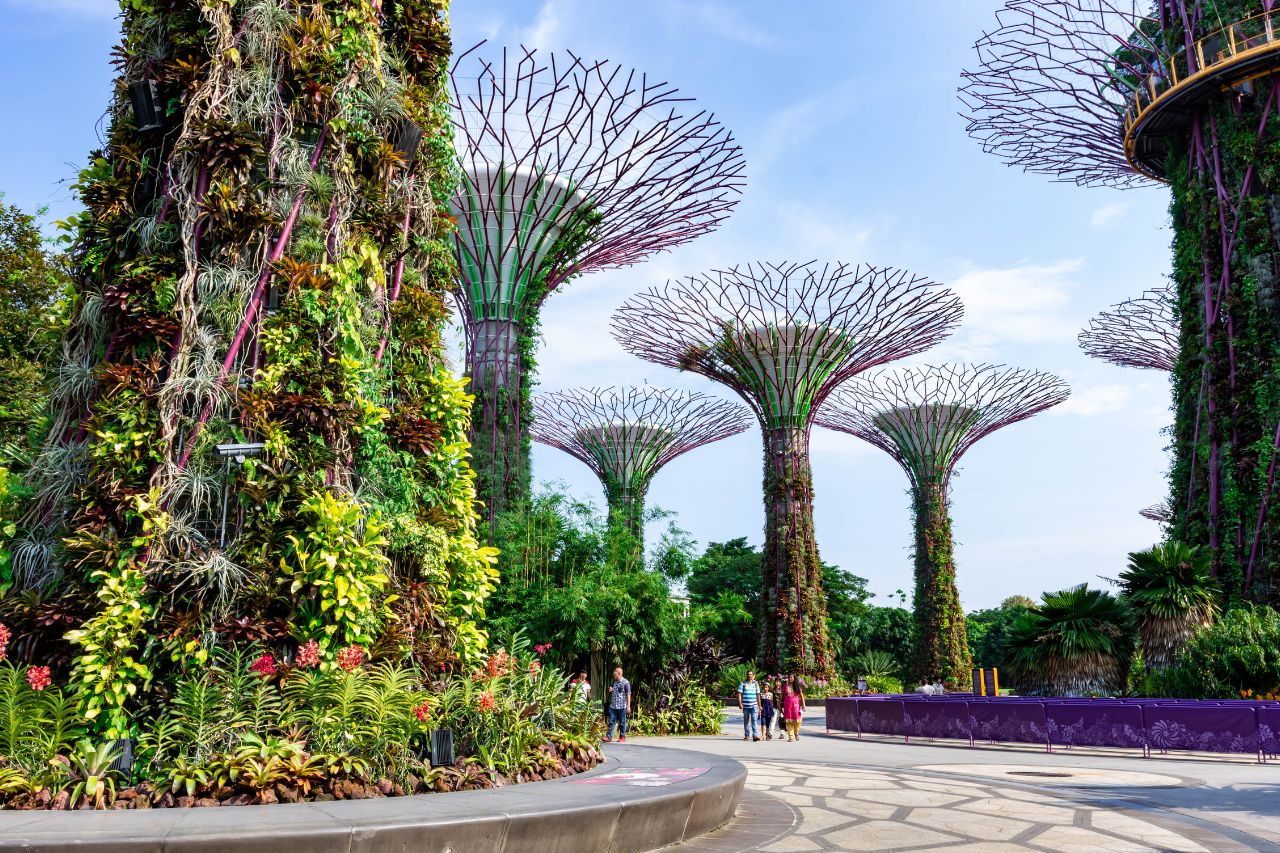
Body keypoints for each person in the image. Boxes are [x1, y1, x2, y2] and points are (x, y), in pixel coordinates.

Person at [604, 667, 631, 743]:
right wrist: (610, 690)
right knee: (611, 721)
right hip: (613, 706)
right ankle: (608, 737)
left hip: (622, 706)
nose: (613, 675)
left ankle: (622, 737)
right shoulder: (613, 682)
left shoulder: (626, 683)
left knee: (622, 722)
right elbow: (611, 690)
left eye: (614, 674)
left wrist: (628, 706)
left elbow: (628, 695)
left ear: (619, 674)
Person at [737, 670, 761, 741]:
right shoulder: (743, 683)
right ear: (746, 675)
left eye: (751, 674)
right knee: (746, 721)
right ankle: (746, 735)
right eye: (748, 674)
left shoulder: (756, 684)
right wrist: (740, 703)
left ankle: (755, 735)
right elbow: (739, 694)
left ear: (753, 675)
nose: (749, 676)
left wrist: (760, 705)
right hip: (745, 706)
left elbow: (758, 694)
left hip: (754, 705)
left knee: (754, 720)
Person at [782, 675, 806, 742]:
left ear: (794, 678)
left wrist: (803, 705)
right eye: (789, 677)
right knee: (788, 722)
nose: (790, 678)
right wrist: (780, 706)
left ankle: (796, 733)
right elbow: (782, 696)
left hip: (796, 705)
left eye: (791, 677)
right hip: (787, 705)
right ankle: (791, 737)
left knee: (797, 721)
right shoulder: (785, 686)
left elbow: (802, 696)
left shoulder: (797, 686)